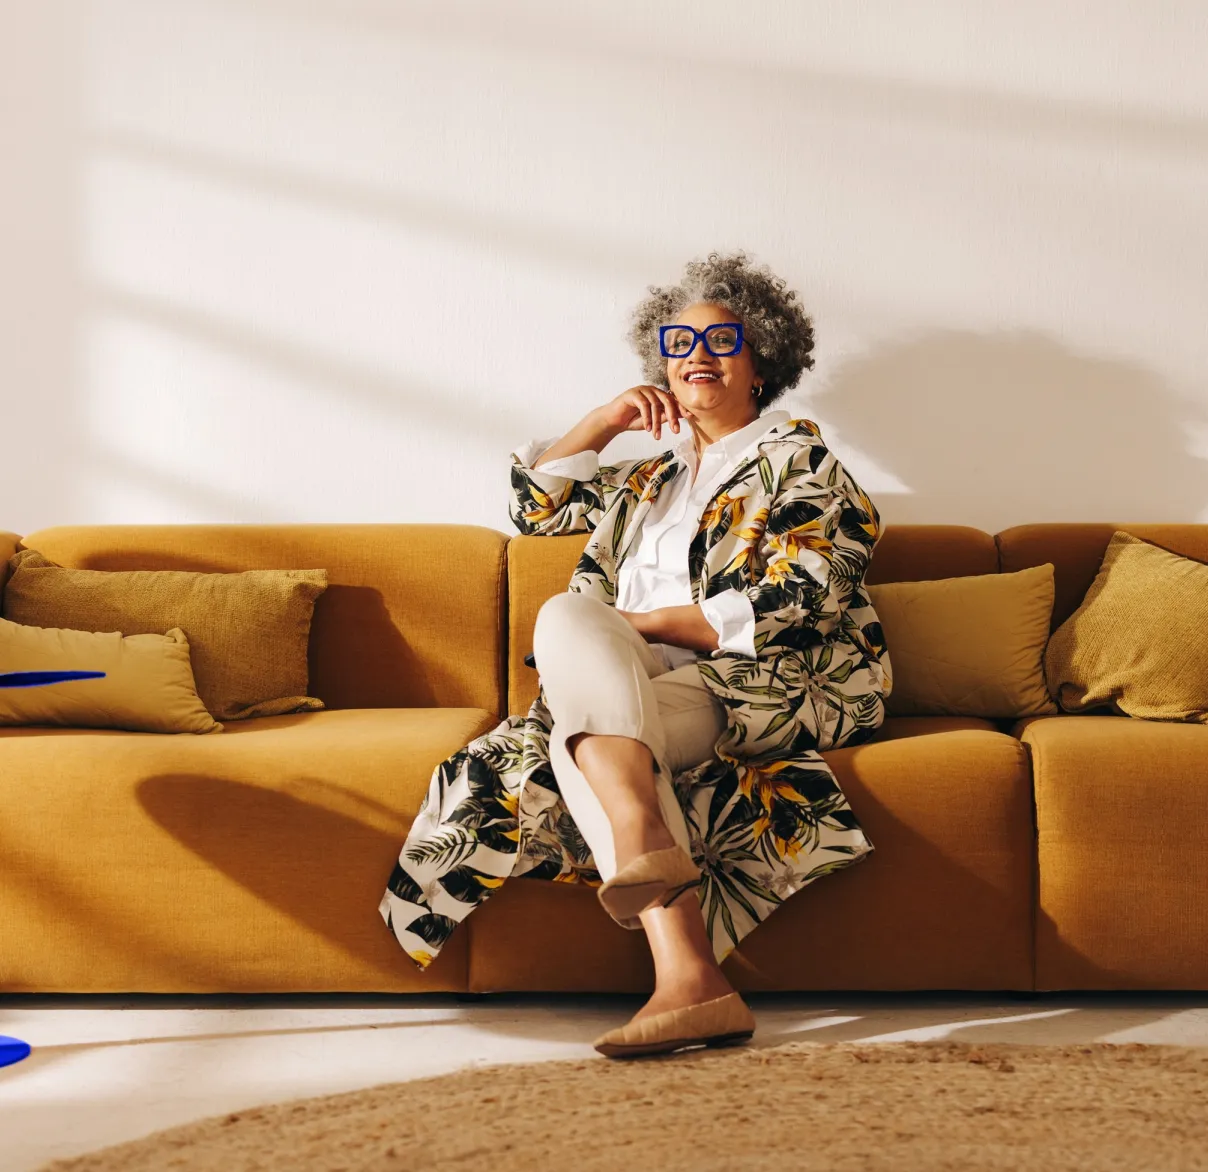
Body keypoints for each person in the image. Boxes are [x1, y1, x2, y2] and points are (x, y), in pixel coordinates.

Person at [379, 249, 892, 1059]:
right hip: (629, 680)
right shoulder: (649, 476)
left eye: (721, 339)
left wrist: (647, 625)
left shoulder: (802, 463)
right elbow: (535, 509)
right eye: (678, 342)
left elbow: (807, 592)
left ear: (762, 362)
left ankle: (659, 896)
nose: (696, 355)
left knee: (574, 741)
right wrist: (606, 420)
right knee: (568, 614)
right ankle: (685, 959)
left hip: (755, 678)